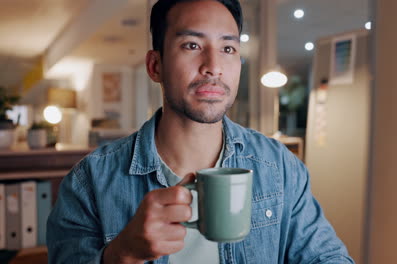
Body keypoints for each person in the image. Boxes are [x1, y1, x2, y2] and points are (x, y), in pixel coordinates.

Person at [47, 0, 355, 263]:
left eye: (228, 48)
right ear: (156, 66)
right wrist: (122, 253)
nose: (213, 66)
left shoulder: (280, 167)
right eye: (192, 45)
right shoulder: (90, 182)